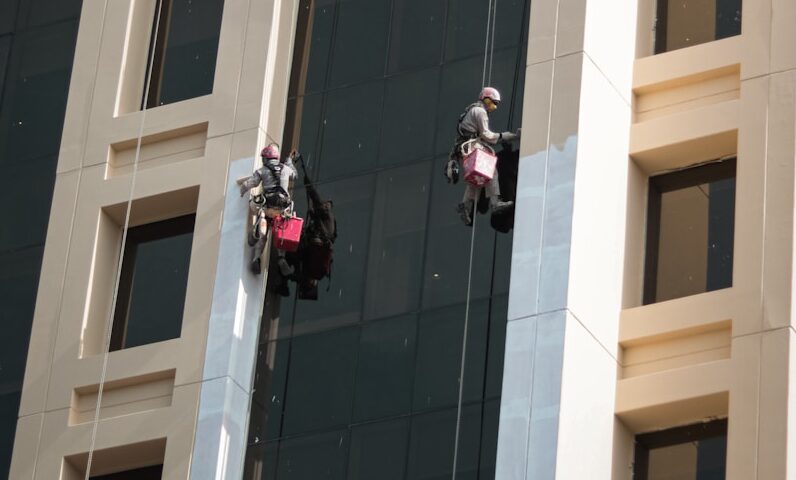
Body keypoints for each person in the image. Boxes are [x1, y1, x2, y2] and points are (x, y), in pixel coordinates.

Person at [446, 87, 520, 226]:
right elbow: (487, 135)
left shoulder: (471, 110)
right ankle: (495, 203)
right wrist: (509, 136)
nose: (494, 107)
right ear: (486, 99)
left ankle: (465, 206)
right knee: (491, 170)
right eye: (493, 103)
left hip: (467, 148)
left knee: (477, 178)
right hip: (473, 147)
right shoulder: (480, 112)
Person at [238, 144, 297, 274]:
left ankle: (256, 257)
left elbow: (251, 183)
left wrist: (241, 189)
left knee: (262, 235)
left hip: (267, 206)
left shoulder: (262, 170)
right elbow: (295, 175)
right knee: (281, 234)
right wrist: (289, 161)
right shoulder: (286, 169)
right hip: (282, 208)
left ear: (266, 158)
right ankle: (281, 257)